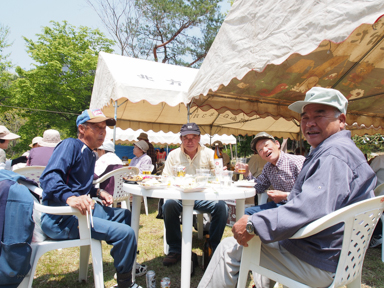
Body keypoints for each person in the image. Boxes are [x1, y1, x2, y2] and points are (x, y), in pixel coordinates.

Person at [198, 87, 376, 288]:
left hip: (318, 258)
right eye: (305, 117)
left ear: (341, 120)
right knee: (260, 230)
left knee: (228, 248)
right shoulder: (343, 151)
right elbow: (260, 186)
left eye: (320, 114)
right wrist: (246, 175)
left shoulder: (330, 157)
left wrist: (254, 223)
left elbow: (309, 208)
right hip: (333, 251)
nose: (310, 123)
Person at [39, 109, 142, 288]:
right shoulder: (70, 145)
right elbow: (49, 177)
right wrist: (70, 197)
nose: (103, 132)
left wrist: (98, 192)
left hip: (81, 213)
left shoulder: (90, 153)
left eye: (104, 128)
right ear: (81, 129)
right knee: (126, 233)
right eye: (97, 128)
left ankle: (129, 261)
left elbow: (80, 184)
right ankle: (126, 284)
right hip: (61, 219)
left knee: (127, 217)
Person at [161, 123, 228, 266]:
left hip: (203, 196)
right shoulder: (173, 155)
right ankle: (175, 249)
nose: (189, 141)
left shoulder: (209, 153)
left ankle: (213, 246)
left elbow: (219, 175)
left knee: (222, 207)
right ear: (181, 138)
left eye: (193, 137)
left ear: (199, 138)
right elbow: (165, 178)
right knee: (168, 205)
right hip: (180, 195)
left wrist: (221, 174)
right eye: (186, 138)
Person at [236, 132, 305, 211]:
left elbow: (310, 191)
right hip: (279, 205)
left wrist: (285, 195)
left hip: (298, 206)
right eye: (260, 150)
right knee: (245, 213)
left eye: (266, 145)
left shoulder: (297, 161)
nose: (265, 150)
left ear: (277, 144)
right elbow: (260, 188)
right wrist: (247, 173)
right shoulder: (268, 167)